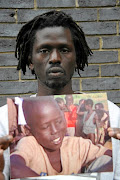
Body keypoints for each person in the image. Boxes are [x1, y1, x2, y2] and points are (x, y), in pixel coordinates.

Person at [0, 10, 120, 180]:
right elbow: (17, 161)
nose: (55, 58)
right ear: (30, 61)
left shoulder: (114, 117)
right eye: (44, 50)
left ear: (77, 59)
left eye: (64, 50)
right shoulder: (4, 122)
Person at [10, 97, 112, 179]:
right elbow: (13, 165)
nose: (55, 130)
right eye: (45, 127)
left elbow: (113, 156)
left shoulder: (77, 145)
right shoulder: (29, 144)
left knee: (105, 160)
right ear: (28, 130)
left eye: (59, 121)